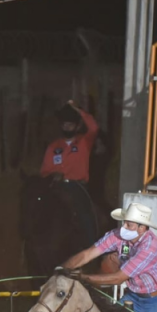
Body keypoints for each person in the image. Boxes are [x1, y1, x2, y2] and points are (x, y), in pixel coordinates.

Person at [41, 99, 100, 249]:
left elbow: (93, 127)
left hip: (76, 186)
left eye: (70, 124)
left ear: (77, 126)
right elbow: (44, 170)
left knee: (85, 214)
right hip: (56, 186)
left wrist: (78, 109)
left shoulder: (83, 142)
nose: (67, 127)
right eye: (64, 124)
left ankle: (91, 248)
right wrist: (53, 174)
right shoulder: (54, 146)